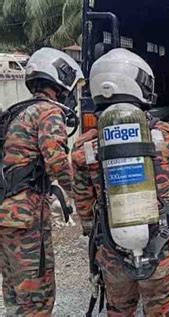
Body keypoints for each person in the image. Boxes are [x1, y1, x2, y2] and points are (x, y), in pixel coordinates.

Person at [72, 48, 169, 316]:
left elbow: (85, 209)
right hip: (159, 249)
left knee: (119, 310)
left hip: (113, 253)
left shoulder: (84, 146)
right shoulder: (167, 135)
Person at [0, 48, 83, 316]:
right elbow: (57, 162)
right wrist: (82, 197)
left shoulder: (16, 113)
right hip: (26, 217)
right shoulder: (48, 112)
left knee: (14, 290)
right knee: (37, 296)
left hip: (6, 213)